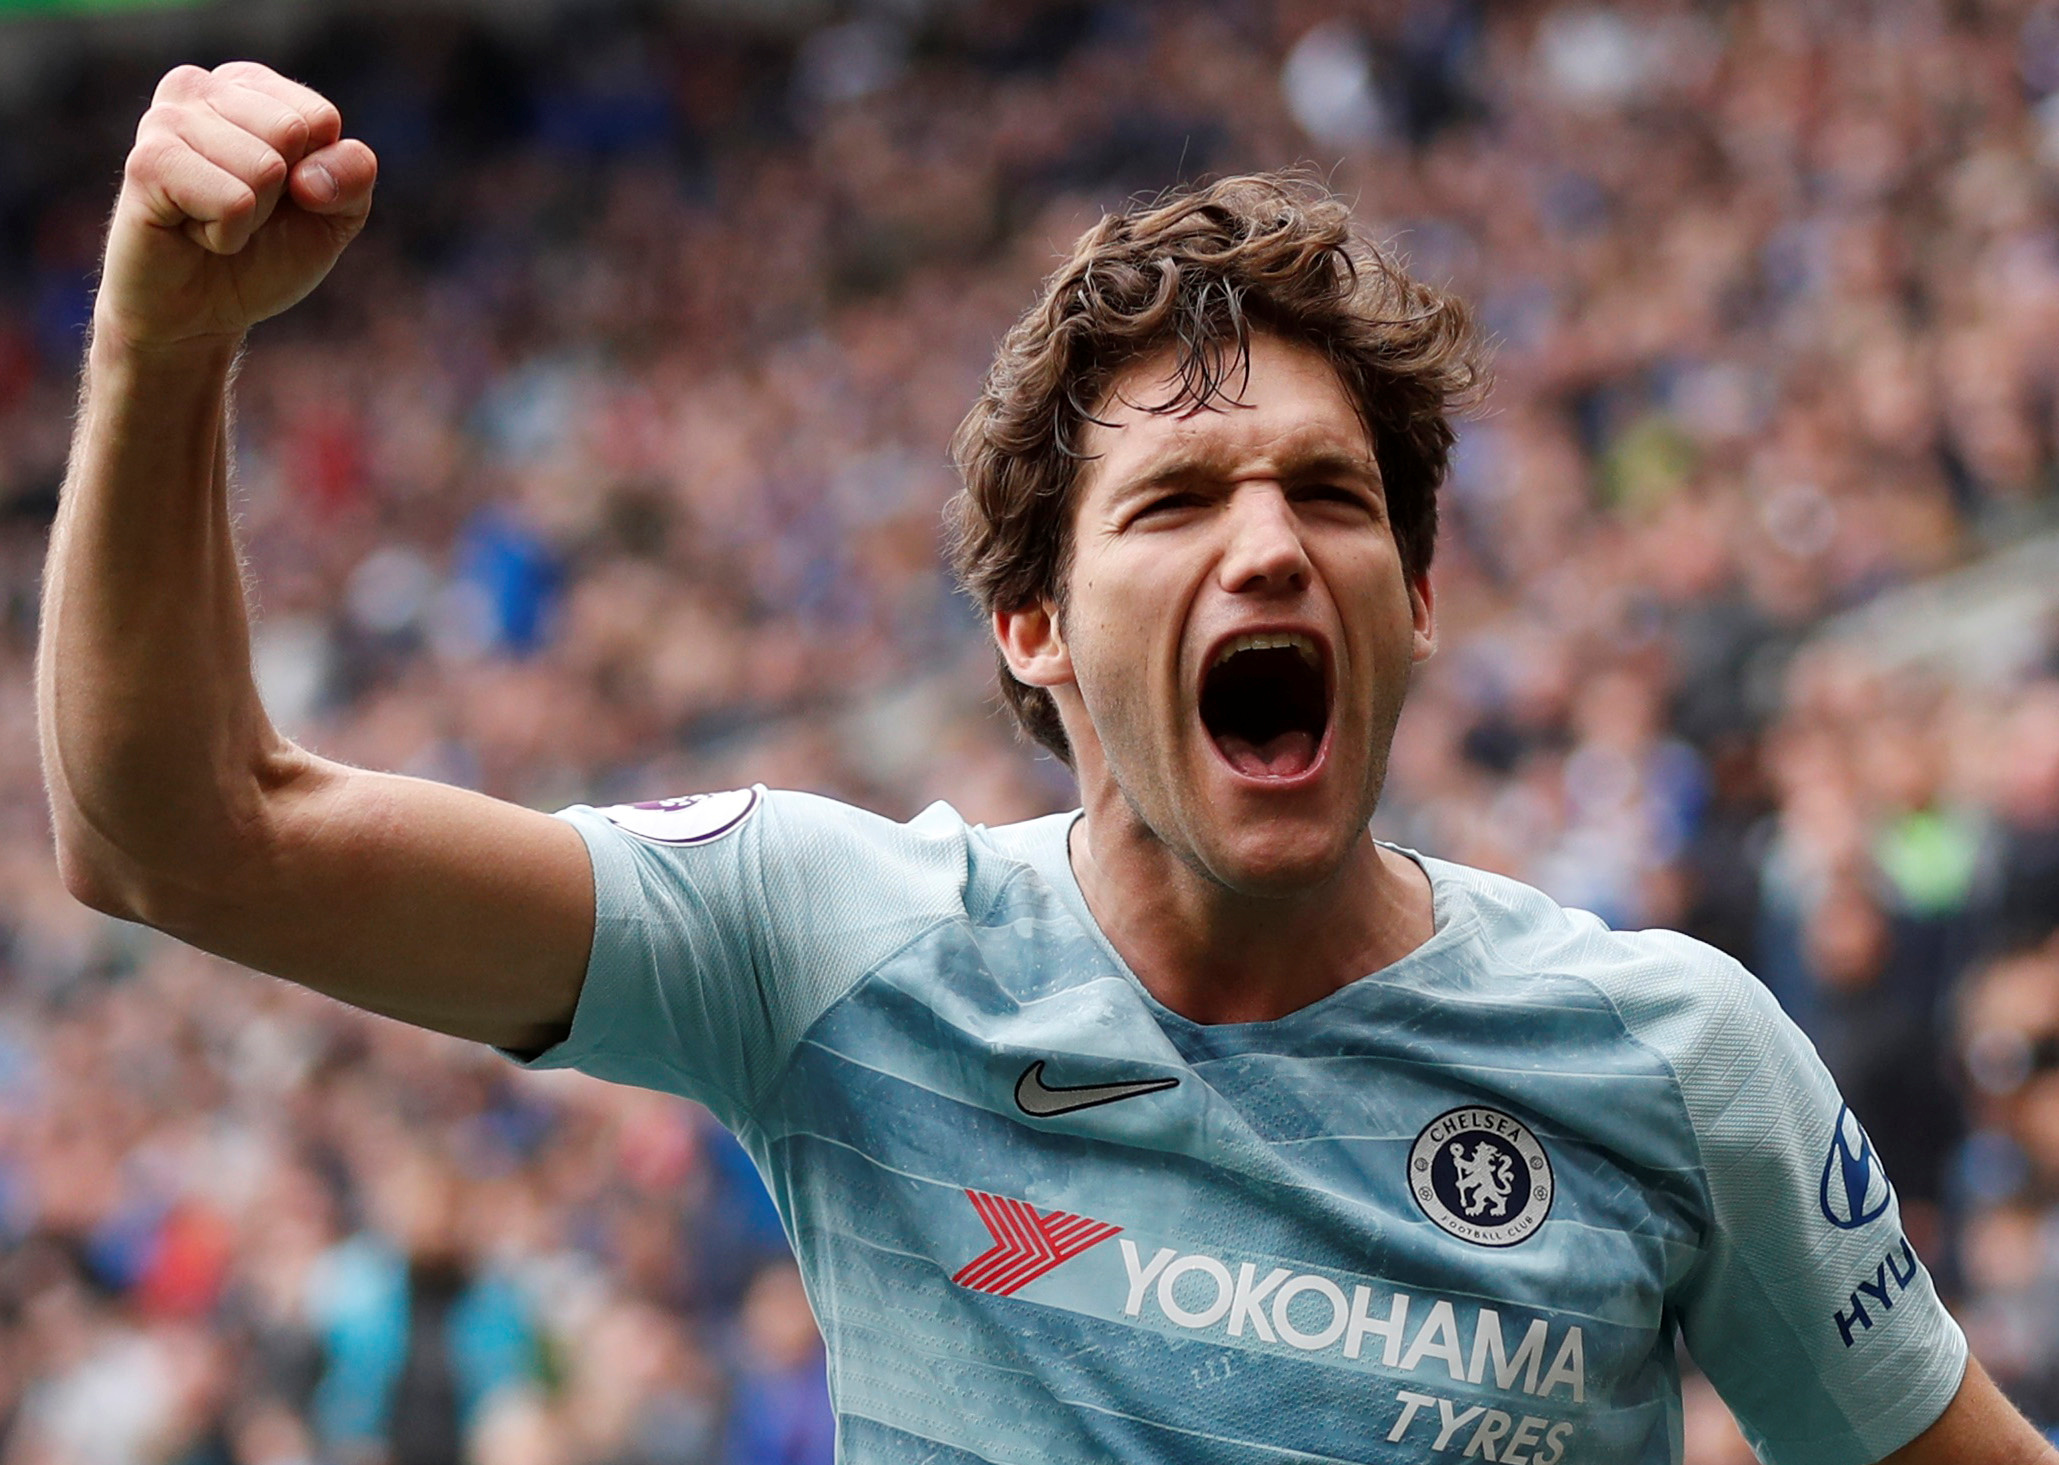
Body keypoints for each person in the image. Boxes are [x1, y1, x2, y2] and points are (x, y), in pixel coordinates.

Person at [34, 60, 2057, 1465]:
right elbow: (183, 834)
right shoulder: (820, 943)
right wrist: (162, 346)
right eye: (1175, 501)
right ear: (1031, 626)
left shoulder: (1668, 1059)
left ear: (1416, 593)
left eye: (1331, 497)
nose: (1269, 539)